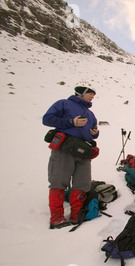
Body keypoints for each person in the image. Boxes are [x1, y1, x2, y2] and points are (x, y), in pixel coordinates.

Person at [43, 81, 99, 229]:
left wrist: (95, 133)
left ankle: (76, 215)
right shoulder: (64, 104)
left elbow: (94, 131)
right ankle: (57, 219)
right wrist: (71, 122)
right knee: (59, 182)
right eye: (90, 92)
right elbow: (47, 119)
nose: (93, 96)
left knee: (82, 184)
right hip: (65, 148)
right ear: (80, 92)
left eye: (94, 94)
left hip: (83, 151)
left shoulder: (90, 114)